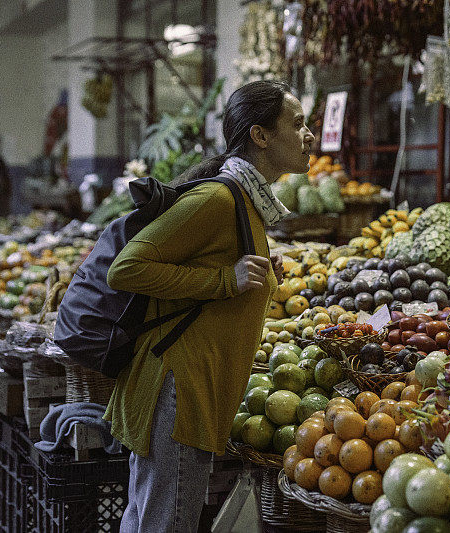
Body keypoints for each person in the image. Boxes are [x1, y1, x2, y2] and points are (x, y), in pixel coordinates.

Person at [105, 80, 315, 532]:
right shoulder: (219, 198)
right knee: (166, 523)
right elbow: (126, 268)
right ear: (260, 136)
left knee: (151, 519)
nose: (309, 135)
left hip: (194, 387)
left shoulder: (248, 203)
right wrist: (224, 279)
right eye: (297, 124)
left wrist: (239, 274)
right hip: (178, 390)